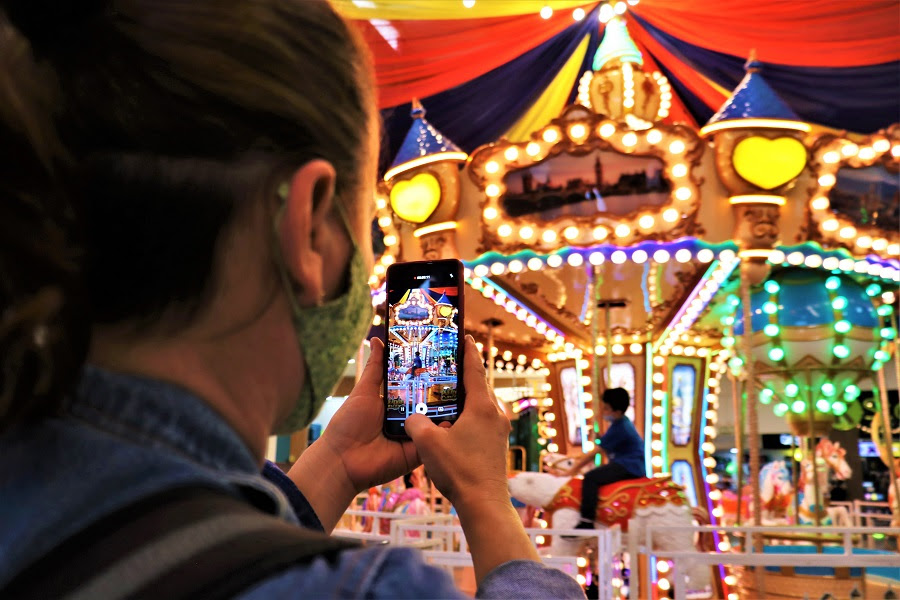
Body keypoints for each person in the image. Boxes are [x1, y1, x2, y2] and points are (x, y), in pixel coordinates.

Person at [0, 1, 584, 598]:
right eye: (368, 231)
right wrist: (487, 499)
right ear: (309, 229)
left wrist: (333, 465)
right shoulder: (361, 589)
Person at [564, 388, 646, 531]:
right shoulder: (620, 423)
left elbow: (595, 452)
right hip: (626, 464)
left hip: (628, 466)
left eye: (607, 408)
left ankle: (587, 521)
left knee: (590, 478)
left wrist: (571, 471)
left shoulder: (620, 428)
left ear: (618, 412)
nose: (603, 411)